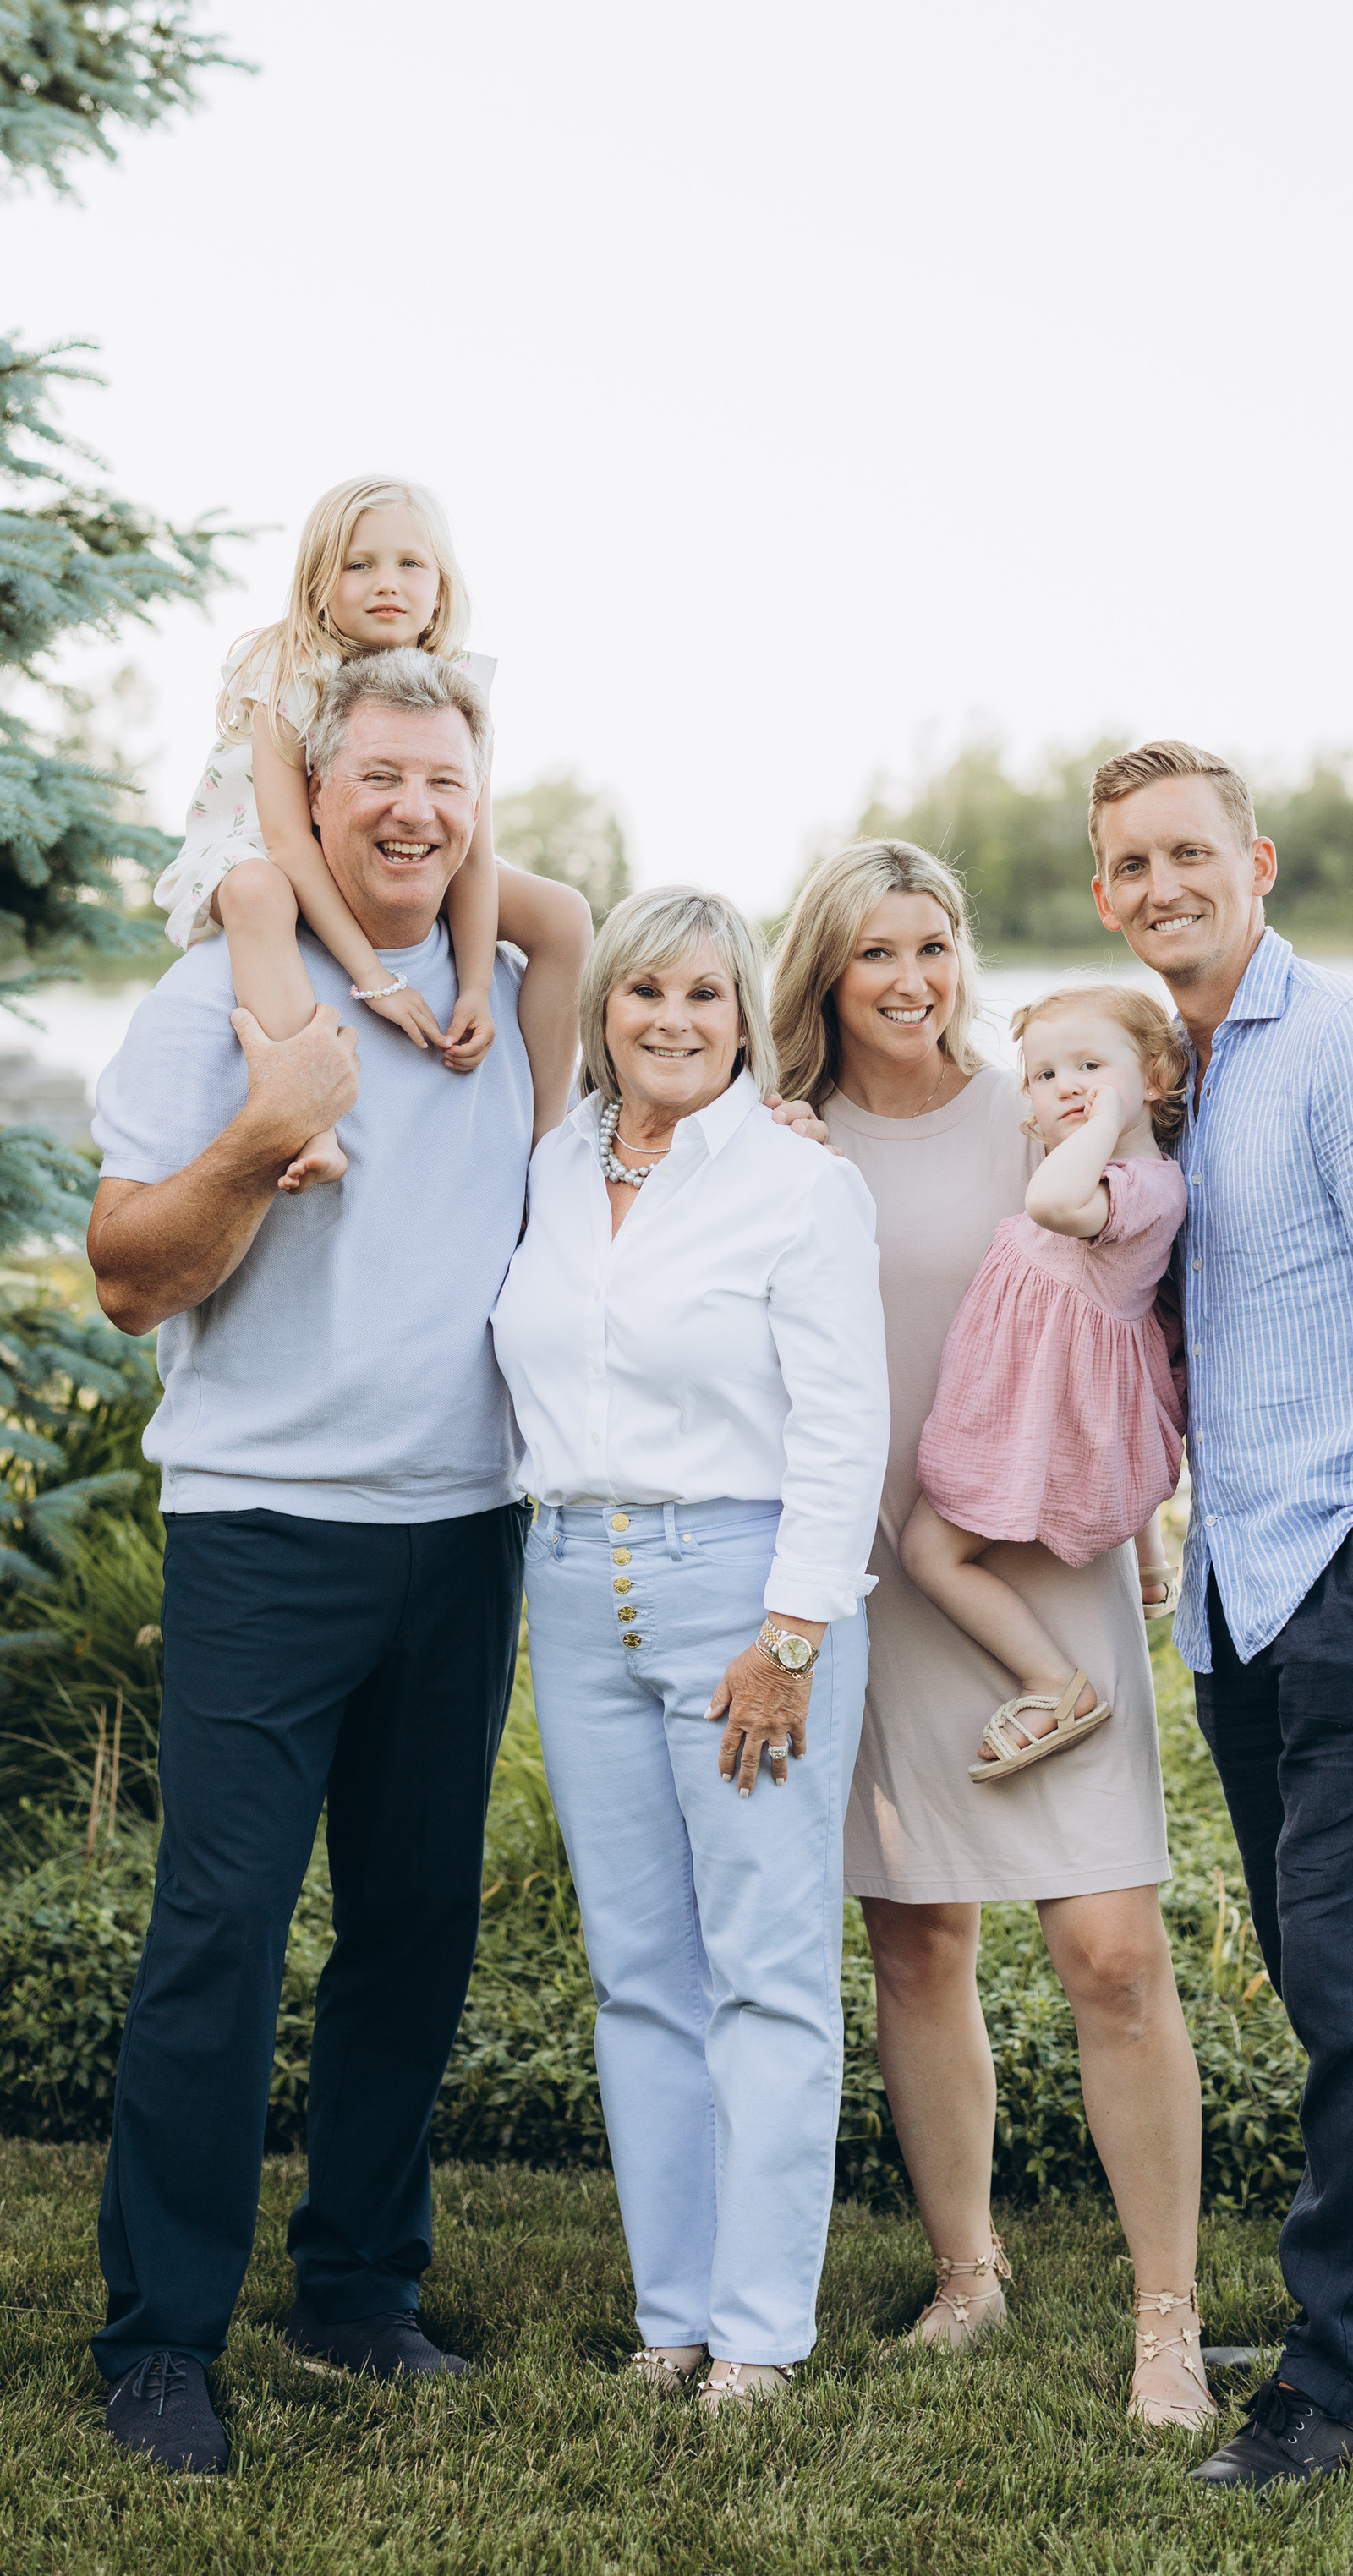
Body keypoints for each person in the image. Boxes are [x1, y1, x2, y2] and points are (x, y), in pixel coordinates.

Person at [84, 648, 537, 2477]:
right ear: (317, 796)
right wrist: (264, 1143)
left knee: (413, 1934)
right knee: (219, 1936)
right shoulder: (214, 1000)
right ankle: (157, 2339)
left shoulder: (509, 1002)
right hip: (264, 1532)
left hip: (466, 1529)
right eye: (380, 782)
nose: (414, 811)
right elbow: (127, 1271)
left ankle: (356, 2290)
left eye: (446, 780)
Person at [1086, 740, 1353, 2493]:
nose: (1160, 885)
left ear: (1253, 860)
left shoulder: (1347, 1047)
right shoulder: (1182, 1075)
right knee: (1341, 1965)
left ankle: (1324, 2389)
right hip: (1241, 1592)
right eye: (1127, 866)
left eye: (1188, 851)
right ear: (1104, 895)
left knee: (1335, 1973)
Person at [768, 845, 1212, 2431]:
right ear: (824, 969)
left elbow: (1129, 1302)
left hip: (1039, 1564)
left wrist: (1152, 1521)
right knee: (919, 1939)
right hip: (882, 1565)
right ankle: (969, 2272)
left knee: (1111, 1950)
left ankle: (1168, 2317)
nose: (912, 980)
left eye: (935, 945)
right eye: (876, 951)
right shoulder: (778, 1134)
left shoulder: (1037, 1103)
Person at [490, 888, 889, 2410]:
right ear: (604, 1012)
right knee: (640, 1974)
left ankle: (762, 2336)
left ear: (745, 1020)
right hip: (575, 1582)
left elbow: (846, 1421)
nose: (671, 1020)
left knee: (768, 1972)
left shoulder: (795, 1186)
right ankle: (671, 2320)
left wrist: (790, 1634)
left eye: (705, 998)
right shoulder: (552, 1164)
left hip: (744, 1588)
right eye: (643, 991)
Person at [153, 473, 592, 1167]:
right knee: (255, 894)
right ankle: (307, 1124)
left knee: (564, 915)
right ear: (318, 583)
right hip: (273, 843)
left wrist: (475, 986)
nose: (386, 582)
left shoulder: (457, 682)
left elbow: (473, 847)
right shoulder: (286, 666)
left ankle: (547, 1141)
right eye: (359, 565)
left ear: (441, 585)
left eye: (410, 564)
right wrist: (378, 982)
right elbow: (291, 840)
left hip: (400, 840)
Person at [903, 985, 1190, 1782]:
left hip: (1047, 1413)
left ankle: (1052, 1684)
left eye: (1091, 1066)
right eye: (1043, 1074)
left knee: (928, 1551)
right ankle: (1148, 1558)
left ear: (1156, 1077)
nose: (1066, 1086)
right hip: (1041, 1390)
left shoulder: (1144, 1185)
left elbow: (1055, 1202)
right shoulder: (1104, 1163)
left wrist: (1097, 1123)